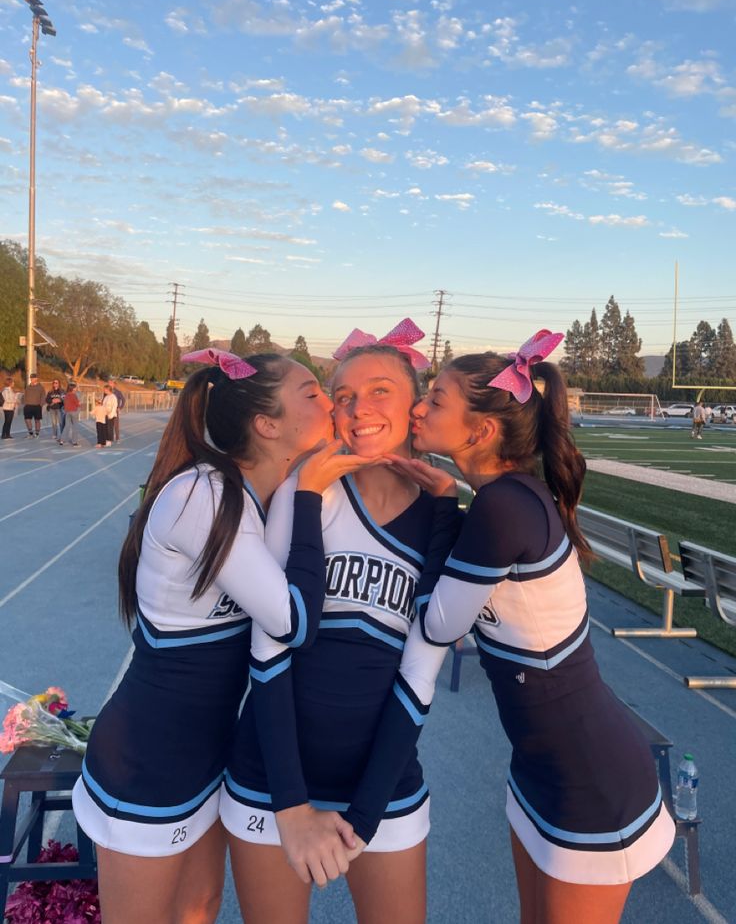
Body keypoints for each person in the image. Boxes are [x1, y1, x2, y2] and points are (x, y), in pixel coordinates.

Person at [360, 330, 675, 924]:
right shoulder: (506, 498)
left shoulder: (504, 506)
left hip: (590, 781)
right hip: (539, 767)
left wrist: (437, 509)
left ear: (480, 431)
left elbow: (438, 624)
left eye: (438, 399)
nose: (419, 408)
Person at [71, 349, 377, 924]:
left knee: (199, 909)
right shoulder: (202, 494)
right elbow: (295, 623)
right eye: (313, 394)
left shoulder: (262, 497)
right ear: (267, 425)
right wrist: (310, 488)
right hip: (147, 761)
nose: (330, 403)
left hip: (210, 757)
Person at [222, 320, 461, 924]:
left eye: (380, 390)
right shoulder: (309, 494)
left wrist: (363, 819)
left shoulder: (442, 516)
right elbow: (269, 653)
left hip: (382, 786)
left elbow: (421, 671)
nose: (358, 408)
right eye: (345, 396)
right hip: (273, 784)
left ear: (415, 403)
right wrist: (292, 808)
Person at [22, 373, 45, 437]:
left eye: (33, 378)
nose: (32, 379)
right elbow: (24, 395)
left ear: (36, 379)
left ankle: (37, 433)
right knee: (27, 419)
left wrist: (41, 405)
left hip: (37, 406)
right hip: (28, 406)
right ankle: (30, 432)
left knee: (37, 420)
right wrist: (25, 403)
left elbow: (43, 396)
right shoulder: (28, 387)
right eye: (31, 378)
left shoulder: (40, 387)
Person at [59, 381, 81, 446]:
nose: (76, 389)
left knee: (67, 426)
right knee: (75, 427)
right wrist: (79, 404)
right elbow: (77, 404)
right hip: (74, 412)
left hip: (67, 412)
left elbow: (65, 403)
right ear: (73, 389)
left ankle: (62, 440)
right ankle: (74, 442)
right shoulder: (73, 395)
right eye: (75, 388)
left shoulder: (66, 395)